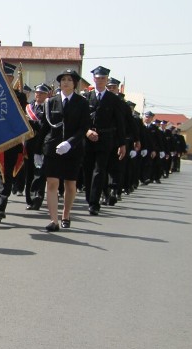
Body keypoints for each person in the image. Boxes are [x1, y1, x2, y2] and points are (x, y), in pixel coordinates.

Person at [37, 69, 90, 231]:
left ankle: (66, 214)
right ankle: (54, 220)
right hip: (53, 149)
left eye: (69, 79)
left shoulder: (82, 103)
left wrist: (70, 143)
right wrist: (37, 151)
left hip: (72, 150)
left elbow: (83, 128)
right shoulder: (50, 102)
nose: (66, 82)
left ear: (75, 84)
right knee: (52, 182)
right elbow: (44, 128)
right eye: (63, 79)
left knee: (70, 184)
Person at [0, 62, 28, 224]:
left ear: (10, 78)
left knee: (5, 175)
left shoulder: (19, 97)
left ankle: (0, 207)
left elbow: (17, 118)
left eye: (6, 77)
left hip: (9, 141)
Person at [82, 66, 126, 216]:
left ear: (107, 80)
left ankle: (94, 203)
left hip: (105, 139)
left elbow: (120, 123)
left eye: (103, 78)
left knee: (99, 171)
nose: (100, 80)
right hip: (88, 139)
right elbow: (80, 120)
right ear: (93, 79)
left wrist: (122, 144)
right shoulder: (86, 97)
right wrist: (87, 131)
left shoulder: (114, 99)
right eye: (97, 78)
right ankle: (89, 198)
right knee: (87, 170)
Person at [24, 83, 51, 210]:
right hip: (28, 144)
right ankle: (29, 198)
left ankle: (37, 198)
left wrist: (31, 122)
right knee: (29, 173)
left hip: (41, 144)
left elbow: (43, 125)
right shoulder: (28, 107)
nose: (38, 95)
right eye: (37, 93)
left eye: (41, 93)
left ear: (46, 95)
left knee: (39, 173)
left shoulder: (48, 108)